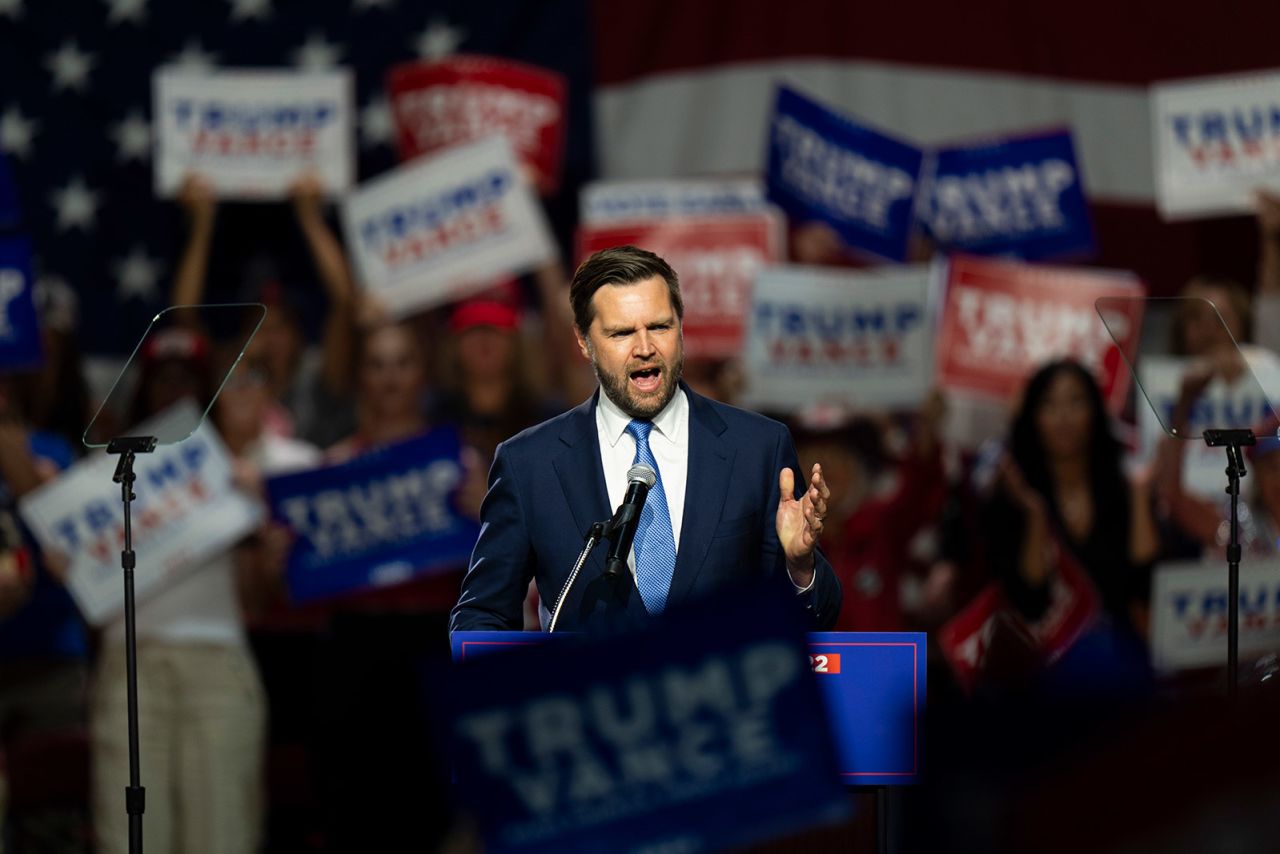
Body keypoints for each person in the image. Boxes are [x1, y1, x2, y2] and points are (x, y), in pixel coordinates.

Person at [451, 245, 841, 633]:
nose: (644, 348)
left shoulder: (758, 448)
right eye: (621, 333)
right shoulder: (529, 464)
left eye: (659, 326)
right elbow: (480, 619)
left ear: (681, 326)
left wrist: (800, 568)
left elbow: (818, 618)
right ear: (584, 341)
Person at [980, 360, 1159, 687]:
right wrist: (1035, 517)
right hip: (1042, 666)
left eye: (1076, 401)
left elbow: (1144, 583)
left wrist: (1139, 497)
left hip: (1120, 663)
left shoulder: (1121, 486)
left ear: (1096, 412)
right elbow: (1030, 602)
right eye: (1050, 403)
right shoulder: (1012, 497)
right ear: (1033, 415)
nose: (1063, 416)